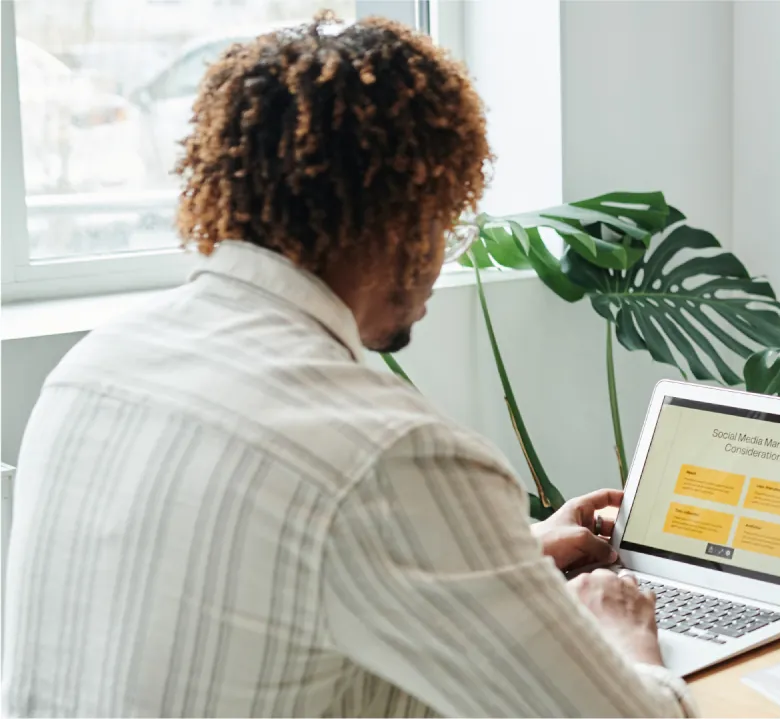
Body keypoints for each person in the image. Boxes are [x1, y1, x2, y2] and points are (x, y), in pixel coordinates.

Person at [1, 15, 694, 717]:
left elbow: (256, 583)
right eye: (448, 217)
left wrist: (500, 557)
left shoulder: (94, 367)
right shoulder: (389, 451)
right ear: (406, 220)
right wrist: (623, 633)